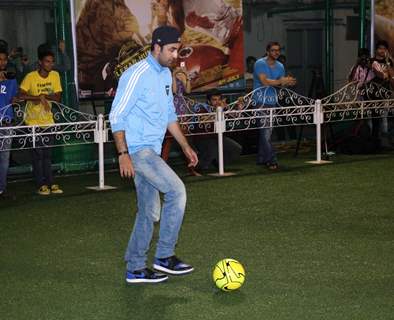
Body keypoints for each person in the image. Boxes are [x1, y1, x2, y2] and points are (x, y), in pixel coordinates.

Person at [109, 26, 198, 284]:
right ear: (156, 48)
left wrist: (185, 146)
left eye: (177, 50)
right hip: (139, 151)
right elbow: (116, 115)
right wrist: (123, 153)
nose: (175, 55)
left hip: (152, 151)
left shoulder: (165, 75)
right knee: (176, 191)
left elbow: (170, 115)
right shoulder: (135, 75)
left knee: (148, 212)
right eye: (171, 50)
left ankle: (135, 269)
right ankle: (164, 256)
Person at [18, 50, 63, 196]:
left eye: (52, 61)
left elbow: (57, 97)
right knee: (37, 154)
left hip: (48, 120)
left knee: (48, 154)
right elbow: (21, 95)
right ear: (40, 62)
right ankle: (40, 184)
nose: (50, 64)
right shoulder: (30, 77)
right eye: (47, 61)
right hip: (32, 121)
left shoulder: (55, 75)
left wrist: (44, 96)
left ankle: (50, 182)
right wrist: (39, 98)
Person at [253, 41, 296, 170]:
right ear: (267, 51)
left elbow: (279, 84)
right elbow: (264, 81)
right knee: (266, 131)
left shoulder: (280, 66)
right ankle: (271, 159)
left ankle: (261, 158)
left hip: (272, 101)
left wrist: (289, 82)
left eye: (278, 50)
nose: (276, 52)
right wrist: (280, 81)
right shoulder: (260, 63)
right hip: (260, 101)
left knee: (266, 132)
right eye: (273, 50)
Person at [192, 89, 242, 172]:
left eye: (219, 99)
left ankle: (218, 163)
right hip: (202, 138)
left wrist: (239, 107)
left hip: (217, 137)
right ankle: (199, 168)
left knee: (236, 148)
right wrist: (219, 110)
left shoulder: (221, 106)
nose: (217, 102)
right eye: (214, 100)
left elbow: (234, 116)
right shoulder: (201, 107)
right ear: (208, 101)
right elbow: (204, 121)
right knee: (213, 148)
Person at [0, 47, 18, 196]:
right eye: (0, 59)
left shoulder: (11, 79)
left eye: (4, 59)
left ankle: (2, 188)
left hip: (7, 122)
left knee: (5, 158)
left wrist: (15, 100)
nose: (2, 62)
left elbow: (13, 99)